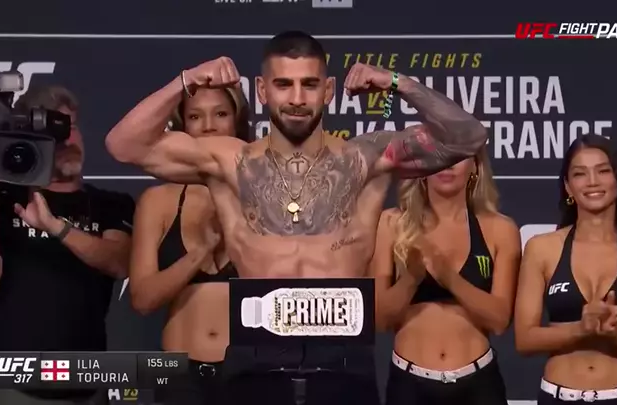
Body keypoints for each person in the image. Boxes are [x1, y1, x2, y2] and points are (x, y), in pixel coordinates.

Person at [104, 31, 488, 405]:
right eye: (284, 84)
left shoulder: (366, 159)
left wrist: (397, 83)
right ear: (262, 90)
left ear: (329, 90)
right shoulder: (230, 162)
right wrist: (185, 81)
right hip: (255, 363)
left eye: (309, 84)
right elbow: (124, 146)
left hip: (343, 364)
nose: (297, 98)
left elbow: (467, 138)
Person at [0, 86, 135, 405]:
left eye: (73, 127)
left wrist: (56, 227)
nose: (68, 140)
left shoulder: (109, 204)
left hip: (86, 386)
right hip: (10, 386)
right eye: (56, 132)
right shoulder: (0, 204)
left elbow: (120, 263)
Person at [514, 134, 617, 404]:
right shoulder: (541, 248)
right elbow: (525, 340)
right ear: (568, 187)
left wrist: (613, 331)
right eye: (580, 174)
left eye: (603, 171)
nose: (592, 181)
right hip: (559, 395)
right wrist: (581, 328)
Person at [127, 83, 251, 405]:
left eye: (220, 114)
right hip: (177, 374)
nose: (208, 125)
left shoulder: (265, 194)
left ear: (237, 120)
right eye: (196, 116)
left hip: (249, 370)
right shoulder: (157, 201)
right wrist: (201, 252)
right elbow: (142, 300)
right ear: (183, 125)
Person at [370, 148, 520, 405]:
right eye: (437, 154)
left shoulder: (500, 229)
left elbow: (499, 320)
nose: (446, 164)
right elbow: (380, 320)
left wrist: (450, 279)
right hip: (410, 385)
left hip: (478, 385)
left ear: (475, 166)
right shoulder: (391, 223)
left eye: (457, 156)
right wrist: (411, 279)